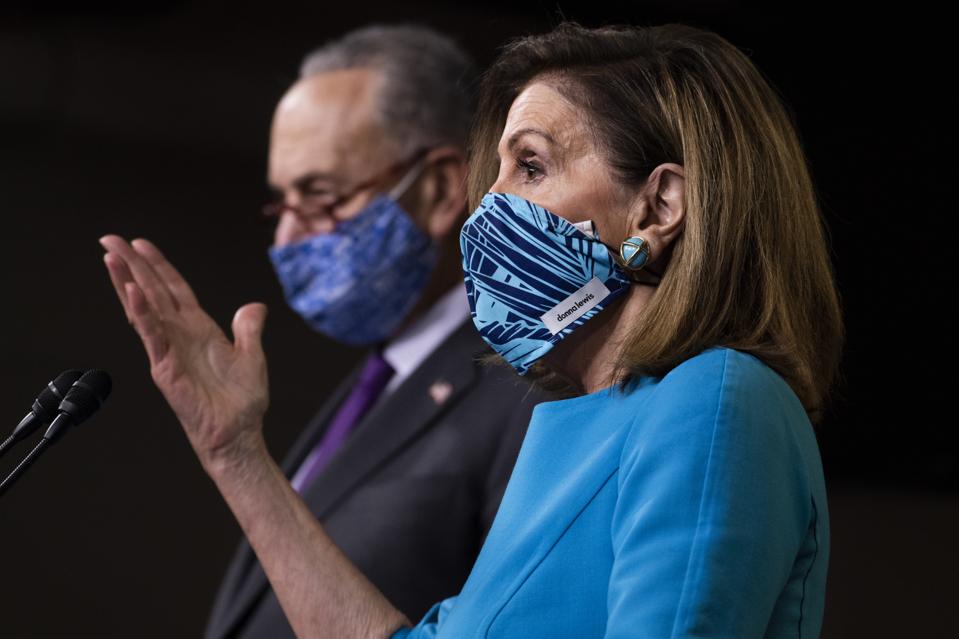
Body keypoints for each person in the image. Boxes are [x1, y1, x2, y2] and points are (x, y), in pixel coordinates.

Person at [100, 20, 843, 639]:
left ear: (658, 208)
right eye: (494, 170)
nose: (485, 205)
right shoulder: (571, 428)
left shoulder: (714, 399)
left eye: (529, 166)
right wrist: (235, 452)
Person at [102, 24, 541, 639]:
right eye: (282, 203)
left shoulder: (530, 382)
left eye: (320, 196)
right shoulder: (375, 386)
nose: (286, 241)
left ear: (441, 189)